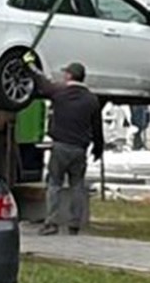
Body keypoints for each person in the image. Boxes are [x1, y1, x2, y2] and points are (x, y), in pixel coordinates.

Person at [29, 57, 104, 235]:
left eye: (65, 73)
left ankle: (51, 223)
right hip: (80, 149)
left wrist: (31, 66)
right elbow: (97, 127)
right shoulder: (92, 99)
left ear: (69, 75)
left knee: (54, 184)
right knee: (77, 185)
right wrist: (98, 148)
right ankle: (74, 224)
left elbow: (44, 84)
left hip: (60, 146)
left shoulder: (59, 92)